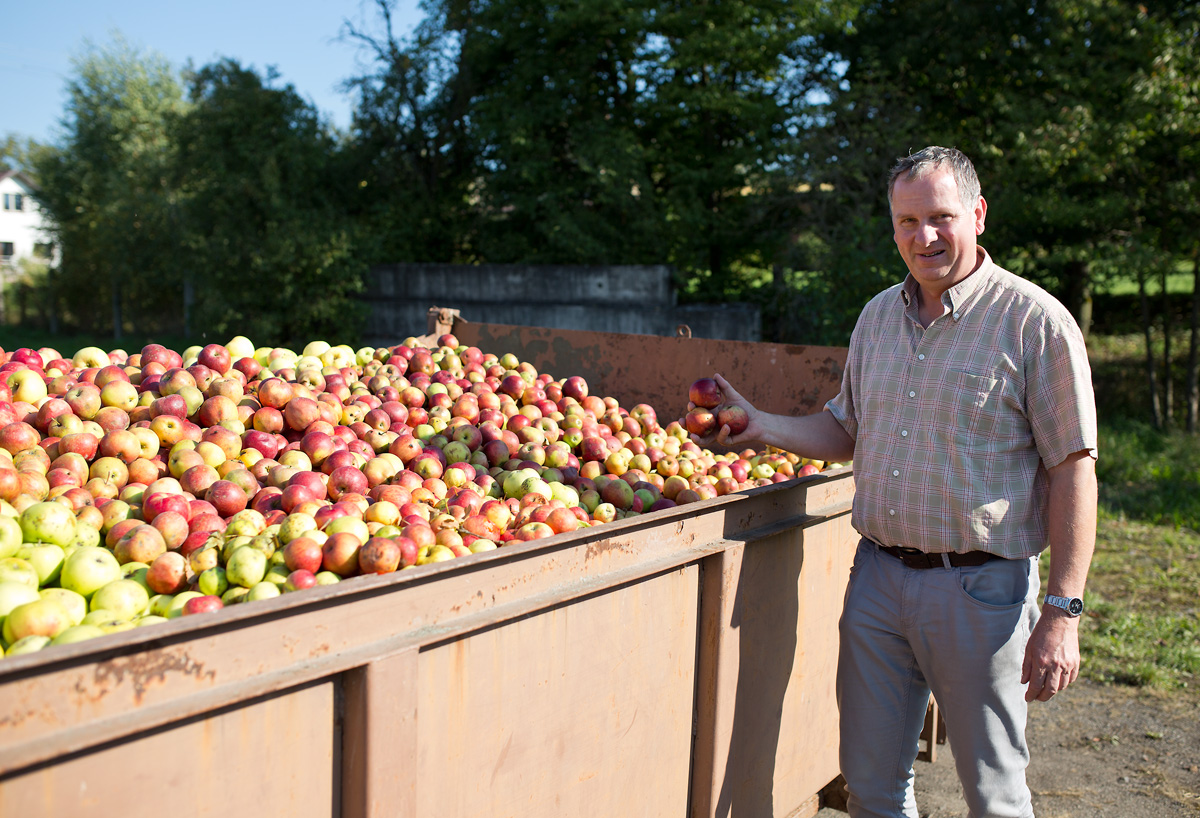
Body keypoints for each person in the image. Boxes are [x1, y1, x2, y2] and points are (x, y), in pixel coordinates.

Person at [696, 146, 1097, 817]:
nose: (924, 236)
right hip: (879, 580)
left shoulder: (1035, 323)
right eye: (907, 221)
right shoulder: (879, 317)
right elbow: (845, 430)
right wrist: (760, 425)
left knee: (993, 794)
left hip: (981, 588)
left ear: (978, 215)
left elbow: (1073, 469)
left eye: (941, 217)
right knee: (873, 785)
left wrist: (1063, 611)